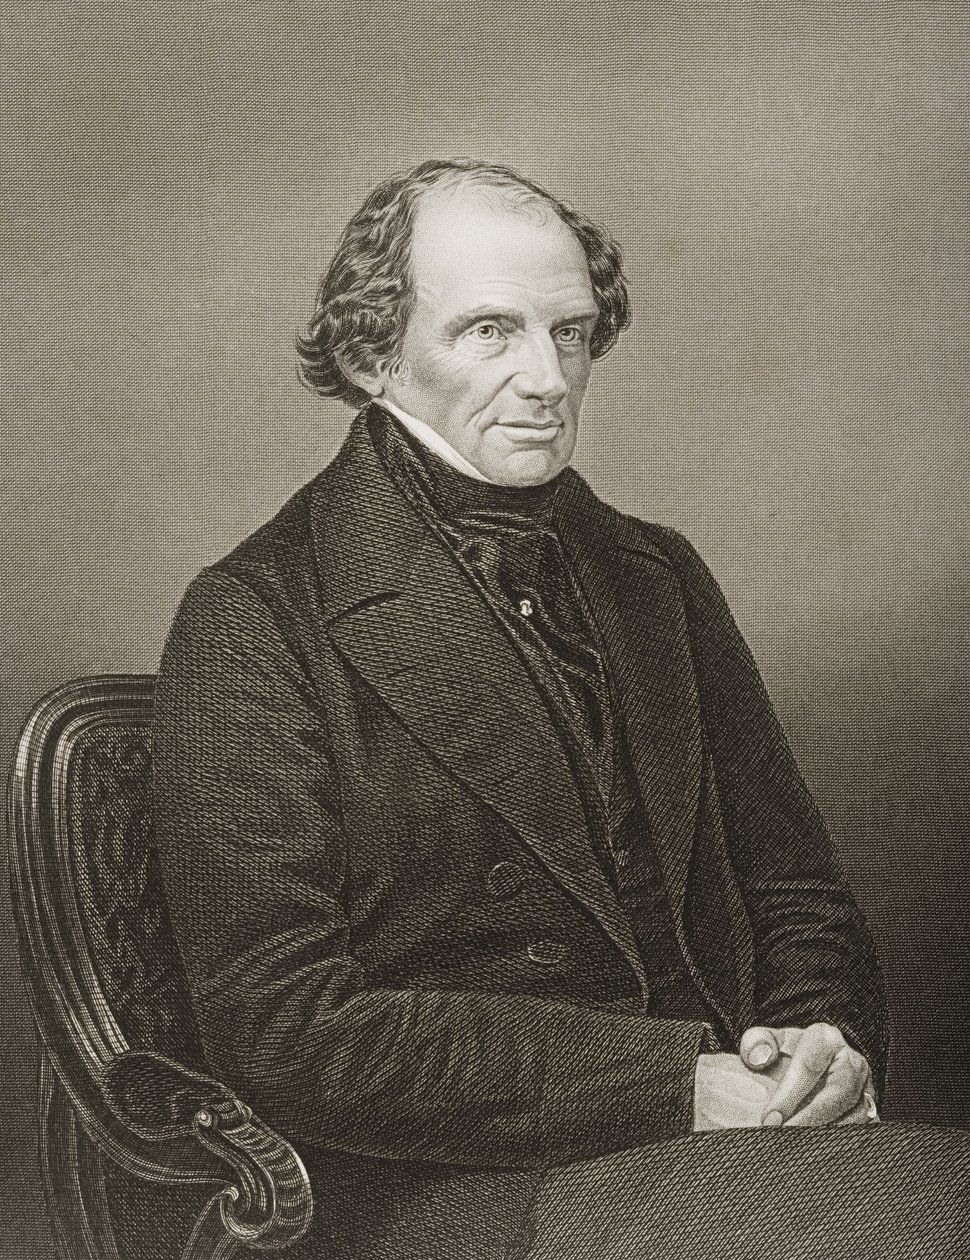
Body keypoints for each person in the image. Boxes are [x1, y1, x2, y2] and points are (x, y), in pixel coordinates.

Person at [152, 158, 888, 1258]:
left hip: (736, 1139)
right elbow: (287, 1028)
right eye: (490, 332)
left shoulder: (655, 575)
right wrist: (675, 1086)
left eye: (570, 332)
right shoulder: (252, 616)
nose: (547, 378)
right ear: (371, 352)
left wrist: (819, 1044)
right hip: (456, 1192)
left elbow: (793, 888)